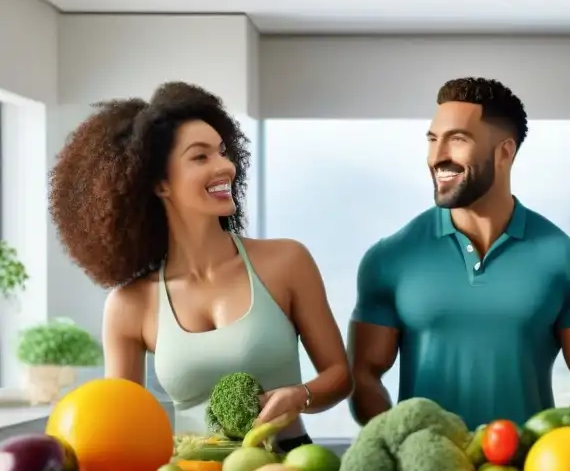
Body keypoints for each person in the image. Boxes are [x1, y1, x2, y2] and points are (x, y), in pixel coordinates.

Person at [48, 82, 352, 449]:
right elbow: (123, 425)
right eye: (200, 157)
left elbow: (339, 376)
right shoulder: (131, 304)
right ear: (160, 184)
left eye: (223, 152)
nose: (225, 166)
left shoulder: (287, 262)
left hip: (289, 467)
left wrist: (299, 395)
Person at [348, 76, 570, 430]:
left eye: (457, 140)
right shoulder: (389, 258)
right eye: (432, 140)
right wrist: (401, 446)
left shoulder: (568, 260)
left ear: (504, 152)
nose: (438, 156)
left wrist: (568, 448)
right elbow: (362, 375)